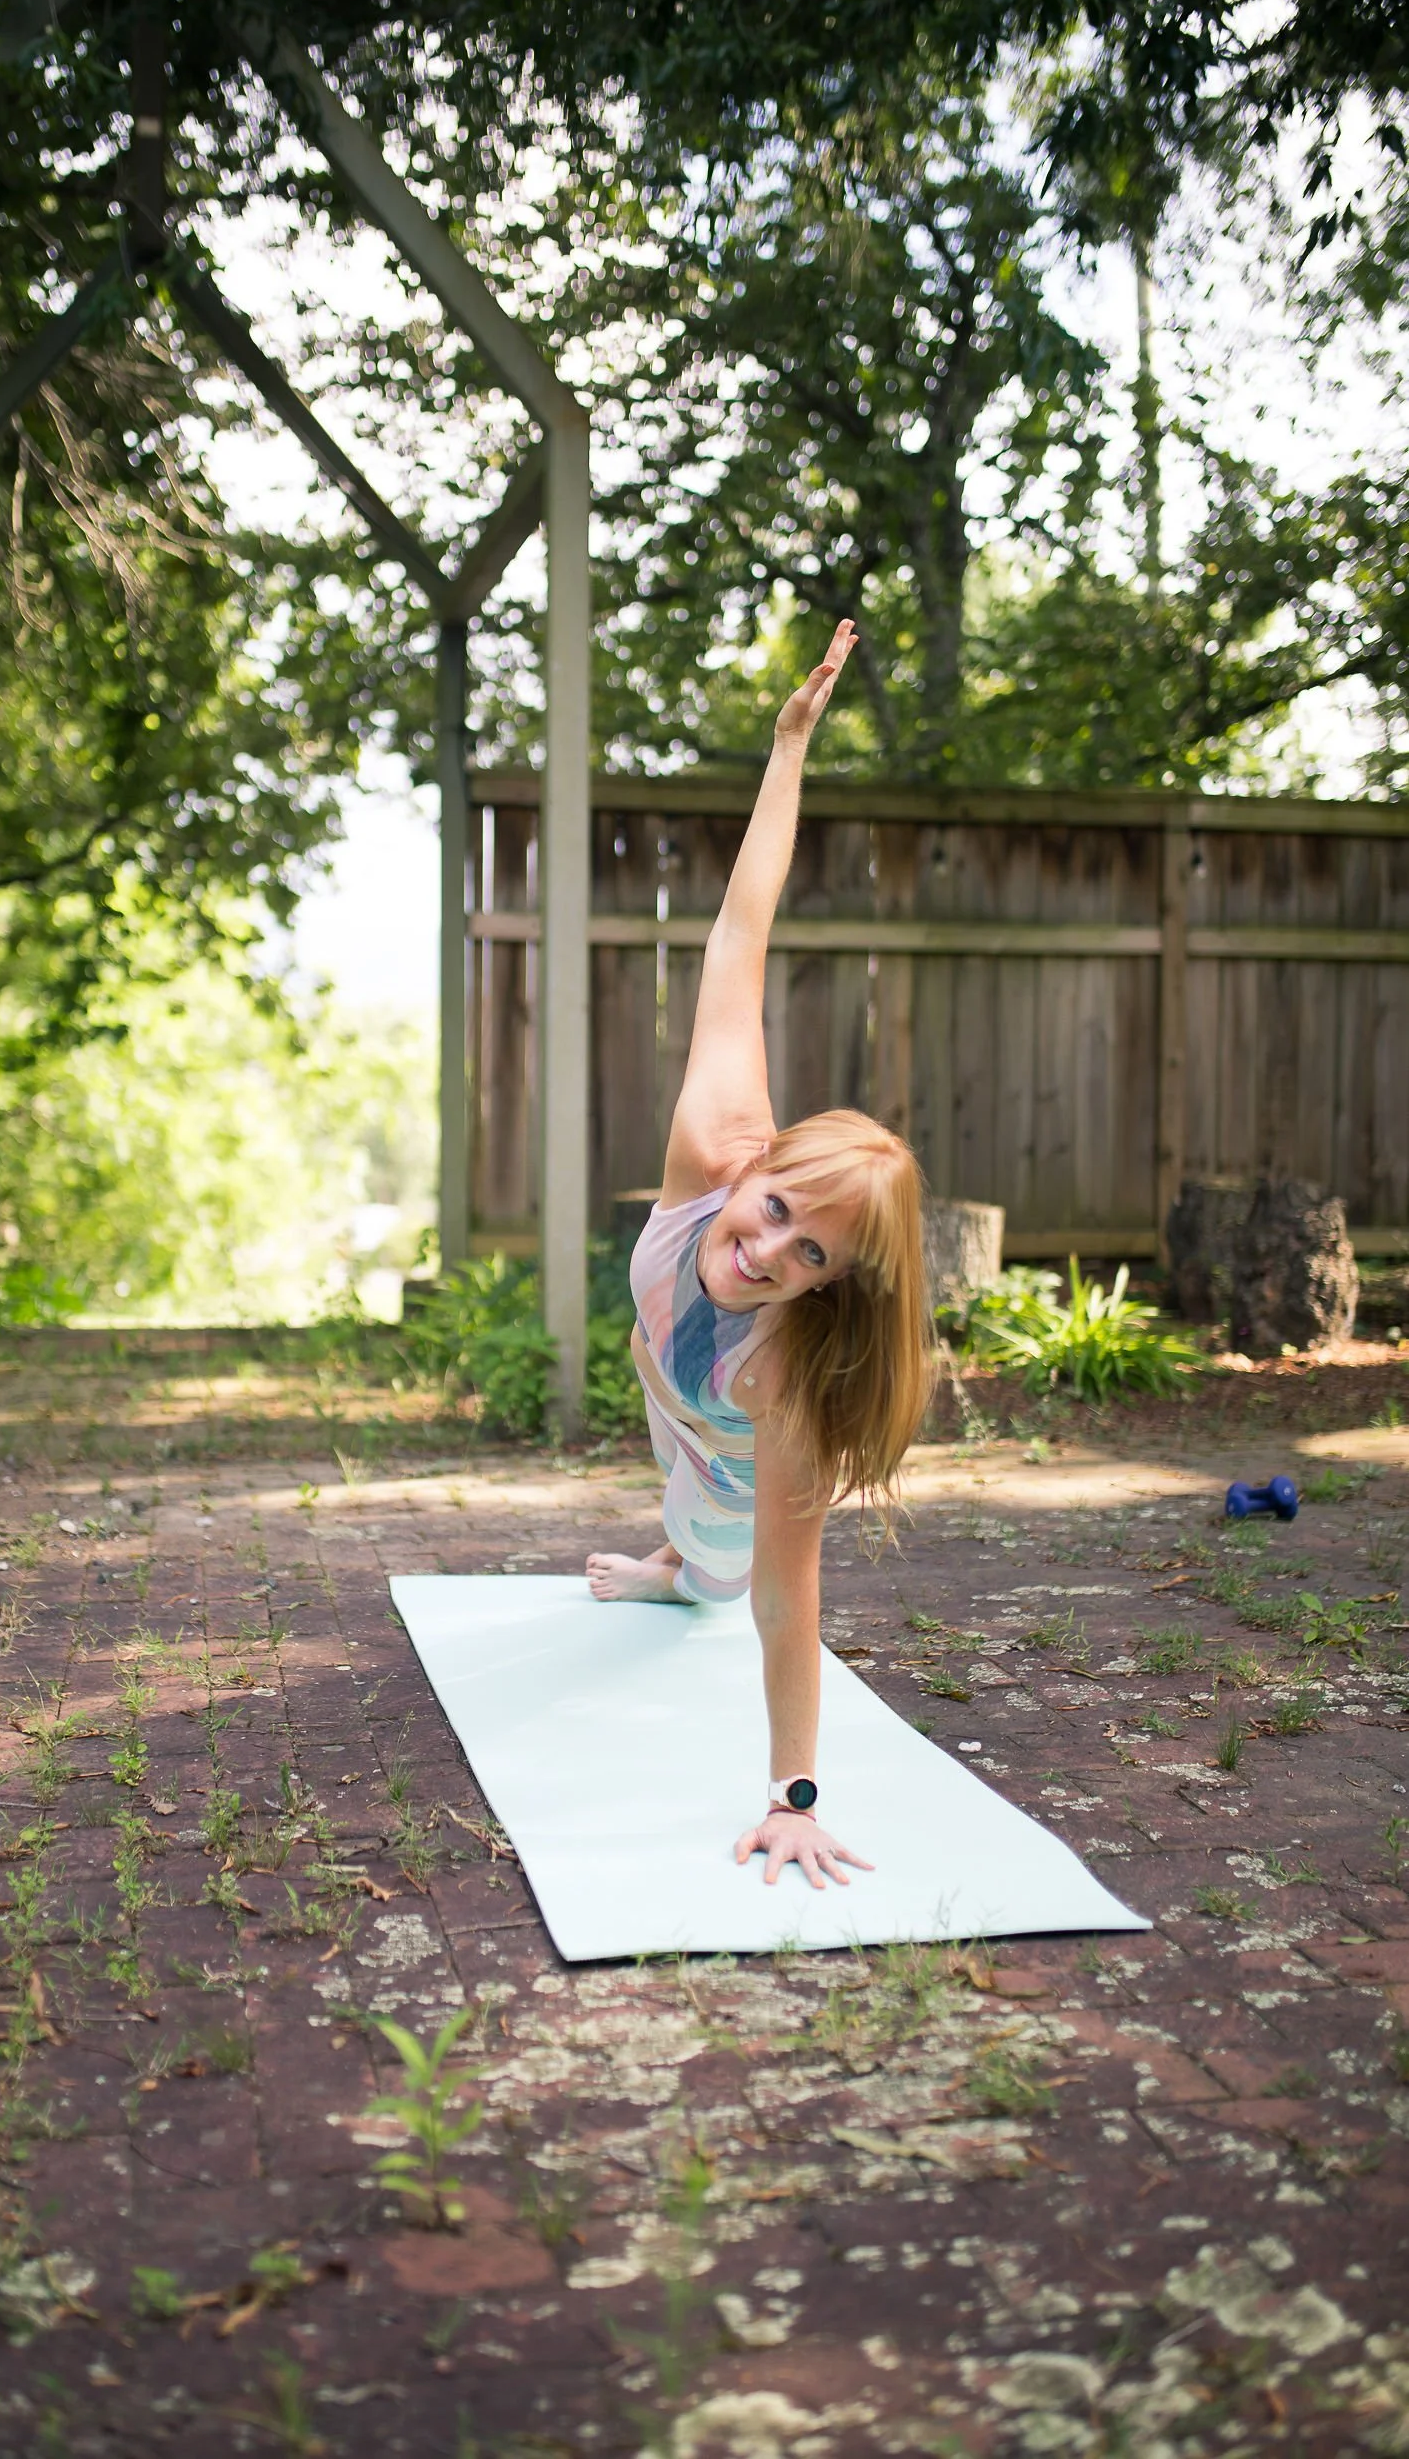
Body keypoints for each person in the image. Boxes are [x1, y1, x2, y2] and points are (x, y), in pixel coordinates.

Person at [586, 619, 932, 1892]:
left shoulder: (782, 1382)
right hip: (660, 1382)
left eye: (811, 1256)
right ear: (758, 1162)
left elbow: (794, 1609)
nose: (766, 1247)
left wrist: (792, 1796)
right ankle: (664, 1553)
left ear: (832, 1287)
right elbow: (739, 937)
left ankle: (672, 1566)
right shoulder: (715, 1150)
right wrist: (787, 747)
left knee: (718, 1578)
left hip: (721, 1462)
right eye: (778, 1205)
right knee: (669, 1478)